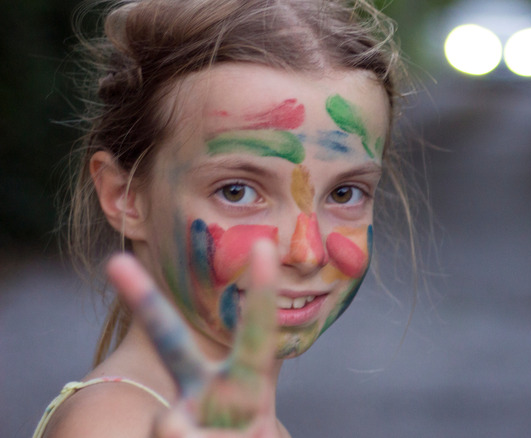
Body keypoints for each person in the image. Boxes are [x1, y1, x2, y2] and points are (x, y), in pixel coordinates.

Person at [34, 0, 409, 436]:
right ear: (125, 196)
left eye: (345, 193)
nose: (307, 252)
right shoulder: (113, 425)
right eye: (238, 191)